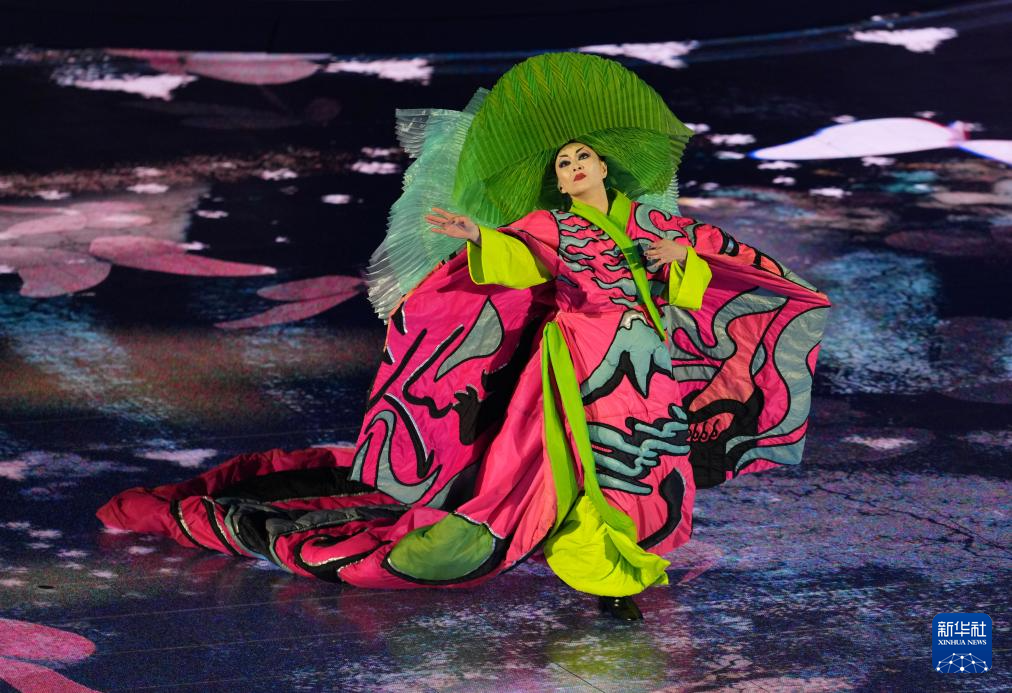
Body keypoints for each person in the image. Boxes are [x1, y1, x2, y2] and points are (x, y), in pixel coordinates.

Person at [98, 53, 831, 621]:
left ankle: (623, 557)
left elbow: (703, 277)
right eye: (563, 163)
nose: (574, 167)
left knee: (645, 464)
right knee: (578, 466)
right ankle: (604, 572)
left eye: (582, 157)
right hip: (574, 363)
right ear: (558, 181)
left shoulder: (651, 222)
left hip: (647, 361)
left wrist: (683, 262)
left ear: (605, 164)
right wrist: (477, 235)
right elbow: (520, 260)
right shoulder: (548, 225)